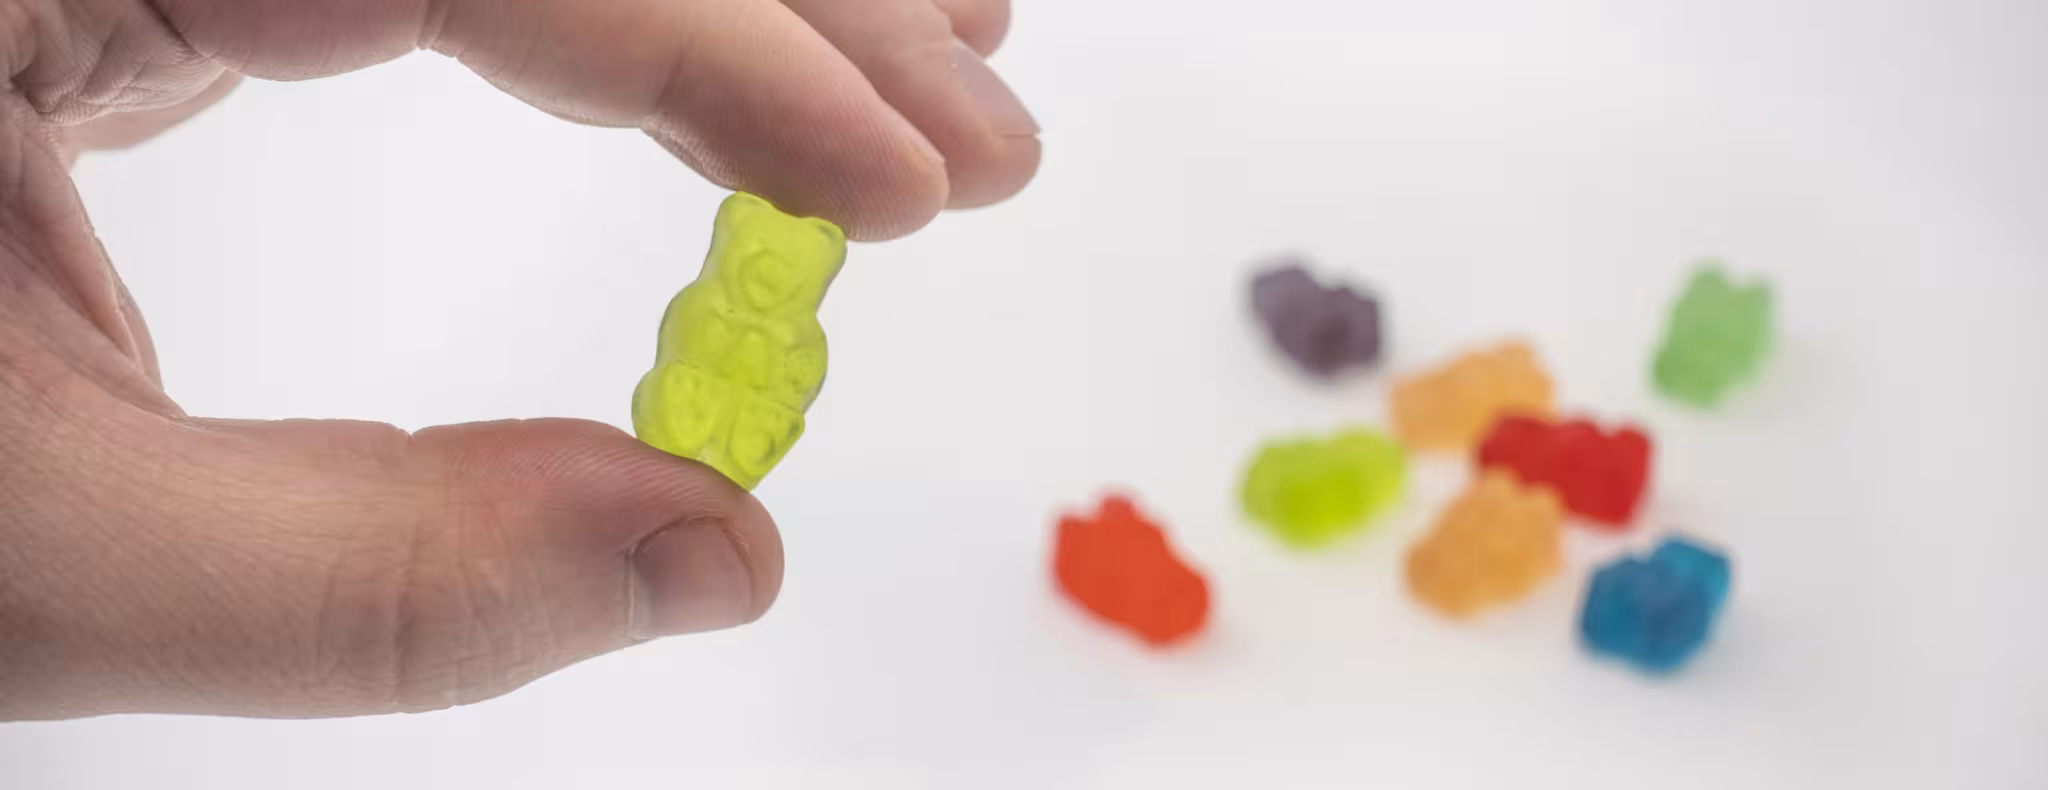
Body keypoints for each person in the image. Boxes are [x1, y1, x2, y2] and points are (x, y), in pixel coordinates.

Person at [0, 0, 1038, 721]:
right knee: (695, 391)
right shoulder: (736, 284)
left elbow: (789, 379)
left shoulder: (790, 315)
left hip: (740, 415)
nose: (769, 281)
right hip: (695, 409)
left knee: (753, 398)